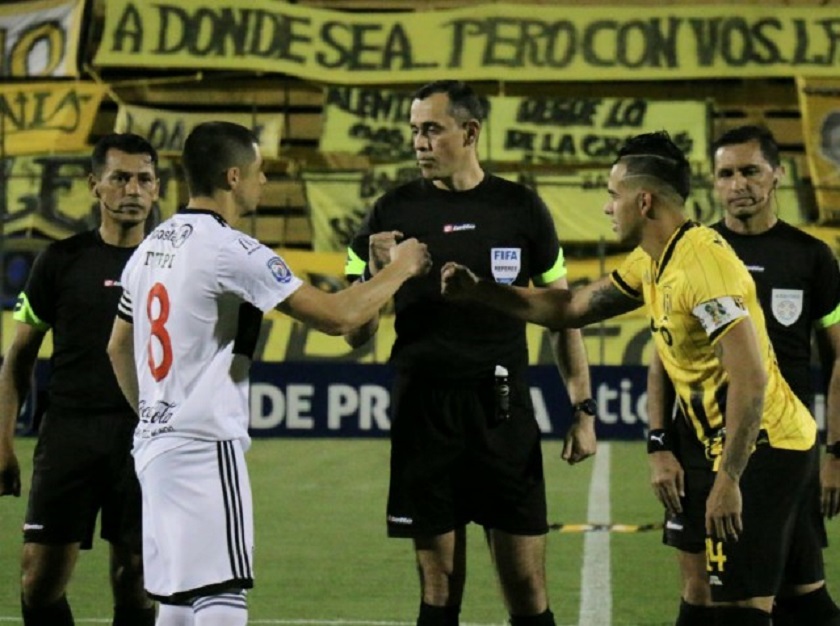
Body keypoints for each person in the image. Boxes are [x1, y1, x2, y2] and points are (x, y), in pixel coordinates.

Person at [441, 130, 818, 626]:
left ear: (643, 201)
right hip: (724, 446)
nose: (606, 208)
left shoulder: (704, 266)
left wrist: (729, 478)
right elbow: (572, 306)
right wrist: (480, 292)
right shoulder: (655, 259)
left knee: (738, 611)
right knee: (767, 601)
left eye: (612, 194)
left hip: (765, 449)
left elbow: (750, 380)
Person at [106, 121, 430, 626]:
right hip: (205, 442)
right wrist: (401, 268)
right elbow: (338, 318)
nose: (263, 183)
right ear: (234, 176)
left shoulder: (151, 246)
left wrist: (156, 415)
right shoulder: (231, 249)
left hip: (154, 446)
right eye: (259, 172)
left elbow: (118, 346)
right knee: (222, 597)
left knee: (177, 601)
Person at [343, 80, 596, 626]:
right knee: (438, 588)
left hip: (502, 409)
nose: (419, 142)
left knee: (527, 586)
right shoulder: (389, 212)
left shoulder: (521, 208)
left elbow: (561, 313)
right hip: (423, 412)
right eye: (414, 131)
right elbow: (354, 333)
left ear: (470, 131)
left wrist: (583, 408)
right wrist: (374, 268)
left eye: (431, 129)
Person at [645, 125, 840, 626]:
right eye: (726, 174)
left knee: (786, 592)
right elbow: (663, 356)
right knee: (704, 589)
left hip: (779, 449)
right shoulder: (694, 252)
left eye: (750, 171)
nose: (738, 185)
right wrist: (659, 444)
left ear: (777, 175)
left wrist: (837, 454)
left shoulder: (811, 257)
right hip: (702, 447)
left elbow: (838, 358)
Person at [0, 133, 160, 626]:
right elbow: (18, 359)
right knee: (38, 579)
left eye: (144, 179)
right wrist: (3, 441)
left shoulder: (171, 264)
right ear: (95, 186)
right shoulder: (60, 261)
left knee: (135, 579)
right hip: (69, 432)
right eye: (120, 178)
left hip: (144, 438)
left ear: (157, 189)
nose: (132, 189)